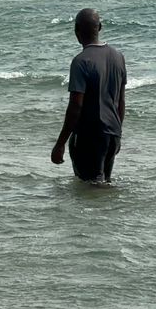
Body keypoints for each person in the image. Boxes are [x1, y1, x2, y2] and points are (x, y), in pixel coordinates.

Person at [51, 9, 126, 185]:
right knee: (103, 184)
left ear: (76, 30)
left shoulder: (81, 61)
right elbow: (121, 101)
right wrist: (118, 134)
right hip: (112, 133)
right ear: (99, 27)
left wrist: (60, 143)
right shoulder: (118, 57)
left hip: (89, 136)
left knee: (89, 188)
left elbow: (76, 106)